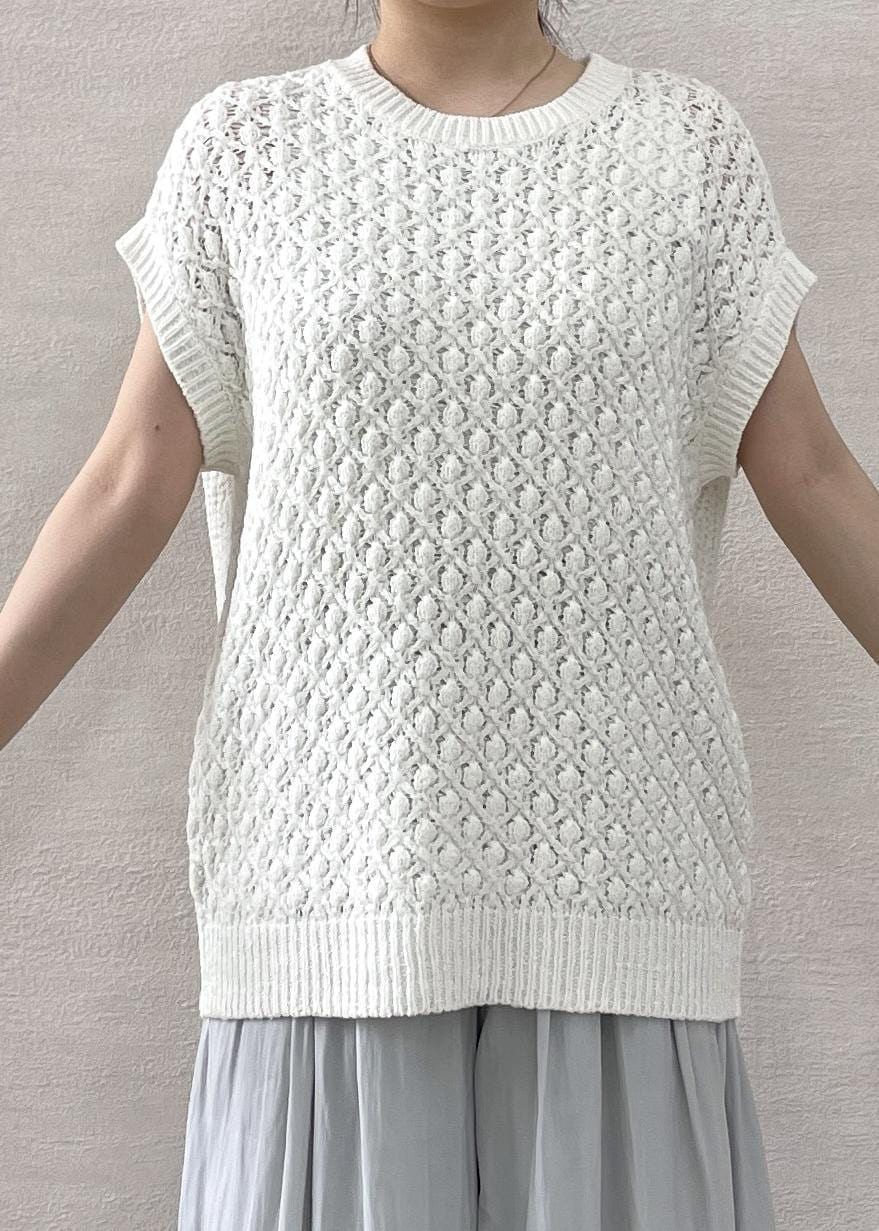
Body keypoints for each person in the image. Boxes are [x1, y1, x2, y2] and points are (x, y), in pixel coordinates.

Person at [2, 1, 876, 1228]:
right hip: (330, 897)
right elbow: (124, 484)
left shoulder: (688, 148)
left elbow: (815, 475)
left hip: (619, 896)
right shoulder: (245, 149)